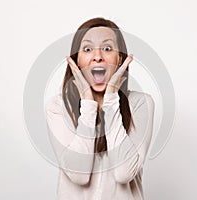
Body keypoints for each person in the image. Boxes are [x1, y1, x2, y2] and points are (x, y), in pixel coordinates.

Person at [45, 17, 154, 200]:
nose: (97, 56)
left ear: (119, 59)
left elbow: (123, 173)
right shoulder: (58, 107)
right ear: (77, 61)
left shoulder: (141, 104)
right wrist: (88, 103)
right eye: (87, 49)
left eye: (107, 48)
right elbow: (78, 175)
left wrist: (111, 99)